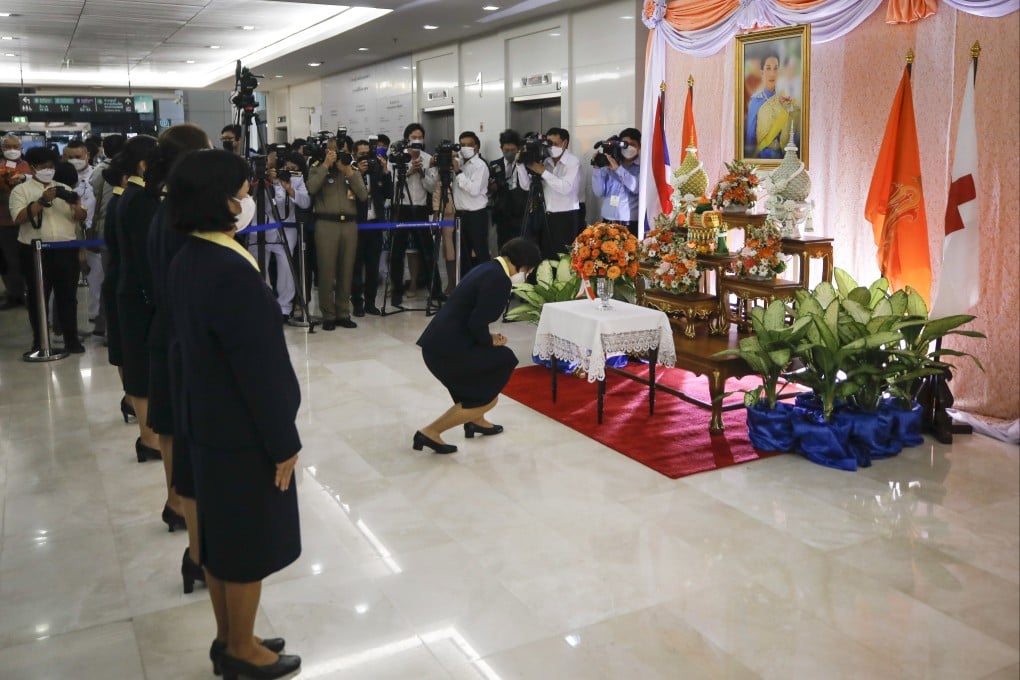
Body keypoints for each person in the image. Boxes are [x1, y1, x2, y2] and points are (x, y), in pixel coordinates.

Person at [166, 149, 301, 680]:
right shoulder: (229, 269)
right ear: (219, 199)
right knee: (246, 540)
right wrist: (283, 440)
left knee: (220, 541)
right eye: (242, 191)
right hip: (241, 428)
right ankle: (241, 651)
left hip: (206, 418)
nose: (248, 199)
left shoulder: (191, 255)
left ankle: (229, 637)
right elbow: (260, 366)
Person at [145, 124, 213, 567]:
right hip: (184, 340)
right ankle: (200, 550)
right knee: (192, 446)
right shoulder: (181, 220)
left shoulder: (166, 208)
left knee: (176, 436)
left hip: (169, 333)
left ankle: (185, 522)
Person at [414, 237, 541, 453]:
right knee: (497, 375)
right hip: (446, 350)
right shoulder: (499, 280)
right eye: (528, 270)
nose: (527, 275)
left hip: (439, 344)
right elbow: (477, 323)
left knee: (492, 363)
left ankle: (476, 421)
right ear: (522, 264)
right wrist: (490, 340)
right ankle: (431, 431)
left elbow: (473, 317)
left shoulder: (488, 268)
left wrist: (489, 338)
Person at [9, 146, 88, 354]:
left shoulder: (64, 188)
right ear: (33, 168)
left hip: (65, 249)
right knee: (38, 297)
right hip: (34, 252)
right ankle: (40, 340)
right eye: (44, 167)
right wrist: (43, 201)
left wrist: (77, 206)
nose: (48, 170)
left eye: (51, 167)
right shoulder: (21, 191)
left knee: (68, 296)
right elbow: (18, 218)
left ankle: (71, 338)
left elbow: (80, 218)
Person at [114, 134, 162, 463]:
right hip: (140, 293)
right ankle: (149, 439)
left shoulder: (127, 195)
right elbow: (147, 255)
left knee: (139, 364)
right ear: (144, 165)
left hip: (129, 288)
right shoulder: (141, 199)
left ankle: (149, 436)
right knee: (144, 368)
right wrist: (156, 295)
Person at [306, 136, 368, 330]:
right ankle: (328, 315)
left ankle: (343, 312)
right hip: (326, 223)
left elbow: (363, 195)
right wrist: (326, 165)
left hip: (349, 225)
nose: (337, 153)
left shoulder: (352, 169)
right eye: (332, 150)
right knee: (326, 270)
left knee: (346, 270)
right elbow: (311, 188)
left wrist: (348, 171)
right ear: (326, 151)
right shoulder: (317, 166)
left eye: (341, 150)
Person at [387, 123, 443, 306]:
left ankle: (435, 289)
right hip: (401, 206)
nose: (417, 140)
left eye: (420, 137)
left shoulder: (428, 159)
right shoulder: (396, 158)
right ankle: (396, 289)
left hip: (419, 207)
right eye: (414, 137)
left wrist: (421, 173)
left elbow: (431, 187)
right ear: (407, 138)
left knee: (427, 250)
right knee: (397, 251)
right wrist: (408, 171)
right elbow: (392, 185)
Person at [255, 151, 311, 321]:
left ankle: (284, 308)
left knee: (286, 268)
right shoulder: (265, 177)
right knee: (257, 266)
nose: (288, 170)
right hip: (261, 226)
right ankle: (257, 304)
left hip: (287, 228)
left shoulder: (296, 179)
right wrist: (268, 180)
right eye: (285, 167)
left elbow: (305, 202)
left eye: (293, 168)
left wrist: (290, 189)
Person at [517, 127, 581, 260]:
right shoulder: (547, 161)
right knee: (547, 257)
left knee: (564, 258)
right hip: (546, 216)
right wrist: (520, 165)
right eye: (549, 144)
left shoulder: (573, 162)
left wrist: (543, 172)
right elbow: (526, 185)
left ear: (565, 143)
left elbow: (565, 188)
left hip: (566, 217)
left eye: (555, 144)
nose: (552, 147)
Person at [89, 133, 126, 337]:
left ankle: (106, 327)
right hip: (110, 231)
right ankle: (109, 328)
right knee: (113, 278)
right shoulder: (110, 171)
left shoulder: (100, 171)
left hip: (105, 230)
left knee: (110, 278)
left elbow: (92, 195)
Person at [63, 141, 103, 328]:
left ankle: (97, 316)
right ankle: (60, 323)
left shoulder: (98, 175)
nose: (74, 161)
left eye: (78, 157)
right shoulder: (59, 177)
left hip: (92, 233)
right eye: (70, 157)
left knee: (96, 277)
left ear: (87, 155)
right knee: (64, 283)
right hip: (66, 236)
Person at [351, 139, 392, 316]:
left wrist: (384, 171)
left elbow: (389, 193)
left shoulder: (376, 171)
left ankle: (370, 302)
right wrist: (358, 173)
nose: (366, 157)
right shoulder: (349, 171)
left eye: (368, 153)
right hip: (357, 225)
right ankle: (357, 303)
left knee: (373, 266)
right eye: (362, 154)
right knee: (356, 266)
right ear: (354, 155)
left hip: (375, 223)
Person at [444, 131, 491, 280]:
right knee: (462, 254)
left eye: (468, 145)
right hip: (460, 215)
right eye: (462, 145)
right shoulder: (459, 162)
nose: (464, 148)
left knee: (481, 252)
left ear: (476, 147)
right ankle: (465, 285)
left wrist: (458, 172)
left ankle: (486, 284)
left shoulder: (480, 166)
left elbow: (474, 190)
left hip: (476, 215)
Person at [744, 51, 798, 159]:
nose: (772, 73)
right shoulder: (755, 101)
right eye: (768, 68)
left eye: (775, 68)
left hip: (783, 161)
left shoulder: (786, 101)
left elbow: (794, 137)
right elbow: (750, 139)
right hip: (762, 160)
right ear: (762, 72)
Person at [1, 134, 32, 309]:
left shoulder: (27, 167)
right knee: (6, 261)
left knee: (22, 260)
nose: (12, 150)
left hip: (22, 221)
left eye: (15, 146)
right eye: (8, 147)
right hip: (3, 222)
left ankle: (25, 293)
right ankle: (13, 293)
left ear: (21, 148)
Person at [591, 128, 641, 236]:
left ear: (639, 146)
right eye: (625, 144)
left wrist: (618, 169)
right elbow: (599, 192)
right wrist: (597, 168)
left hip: (629, 223)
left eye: (632, 144)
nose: (628, 148)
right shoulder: (610, 163)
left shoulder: (642, 166)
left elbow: (636, 187)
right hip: (606, 221)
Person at [489, 129, 526, 249]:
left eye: (512, 150)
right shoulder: (495, 165)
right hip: (502, 214)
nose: (509, 153)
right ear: (501, 148)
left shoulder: (524, 164)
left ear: (518, 149)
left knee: (521, 247)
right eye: (506, 150)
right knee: (503, 247)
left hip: (521, 214)